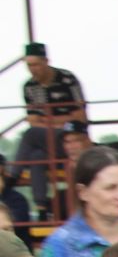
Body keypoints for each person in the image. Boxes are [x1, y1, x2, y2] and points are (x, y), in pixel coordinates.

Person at [17, 43, 87, 215]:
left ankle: (13, 174)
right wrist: (61, 121)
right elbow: (33, 121)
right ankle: (41, 209)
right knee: (36, 157)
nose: (32, 69)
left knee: (30, 134)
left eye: (36, 65)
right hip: (48, 141)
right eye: (29, 65)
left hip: (72, 139)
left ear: (46, 61)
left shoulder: (67, 78)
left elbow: (80, 116)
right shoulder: (29, 86)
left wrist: (47, 120)